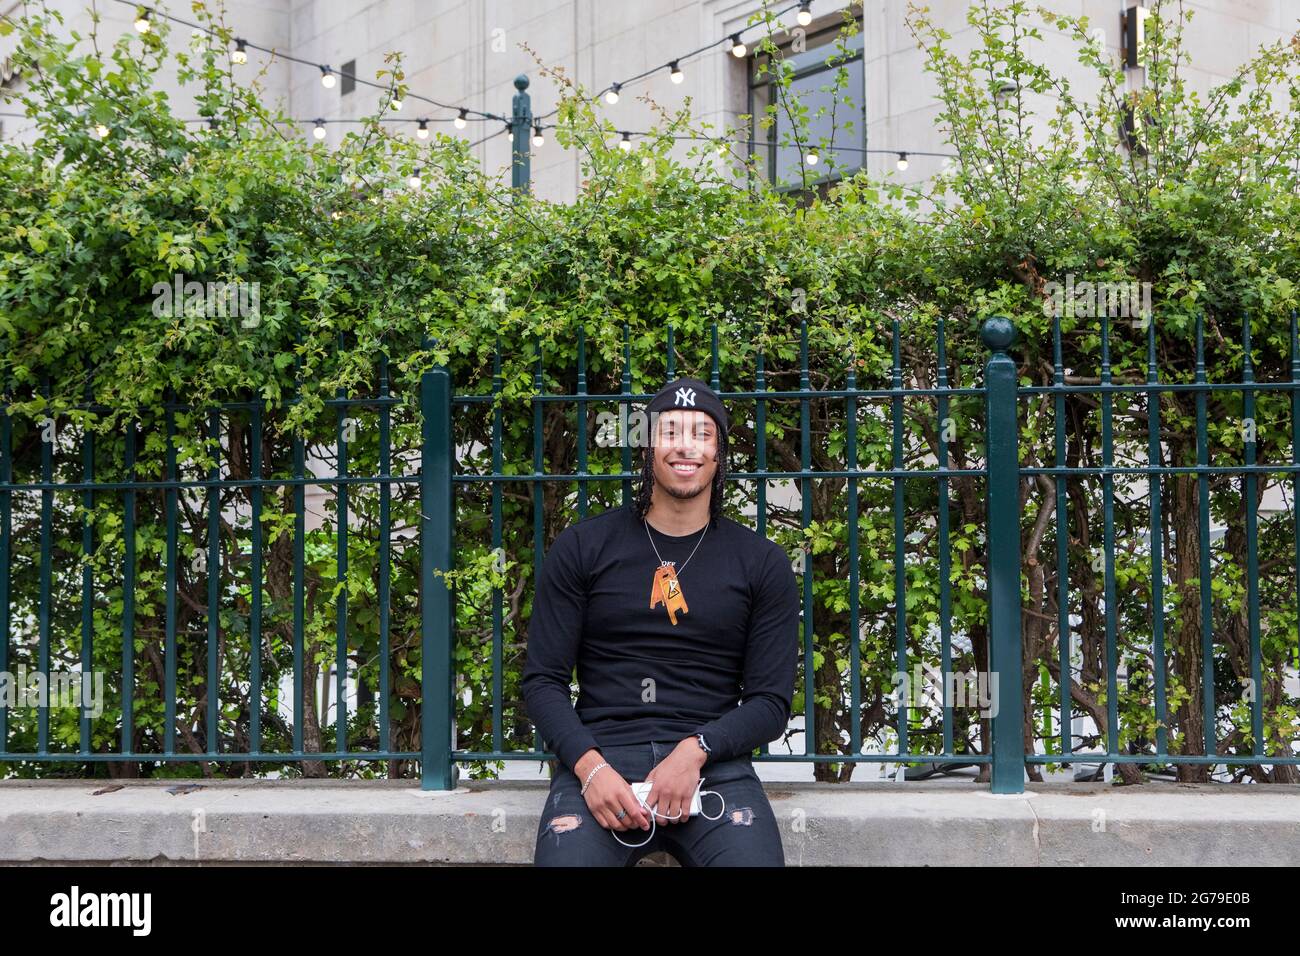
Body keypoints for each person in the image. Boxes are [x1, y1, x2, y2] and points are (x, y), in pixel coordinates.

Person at [521, 376, 800, 866]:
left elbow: (770, 702)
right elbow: (543, 681)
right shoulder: (584, 547)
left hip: (714, 767)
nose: (685, 446)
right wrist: (590, 770)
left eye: (701, 433)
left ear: (719, 453)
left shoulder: (760, 563)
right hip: (601, 760)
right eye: (669, 431)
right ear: (648, 448)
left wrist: (695, 751)